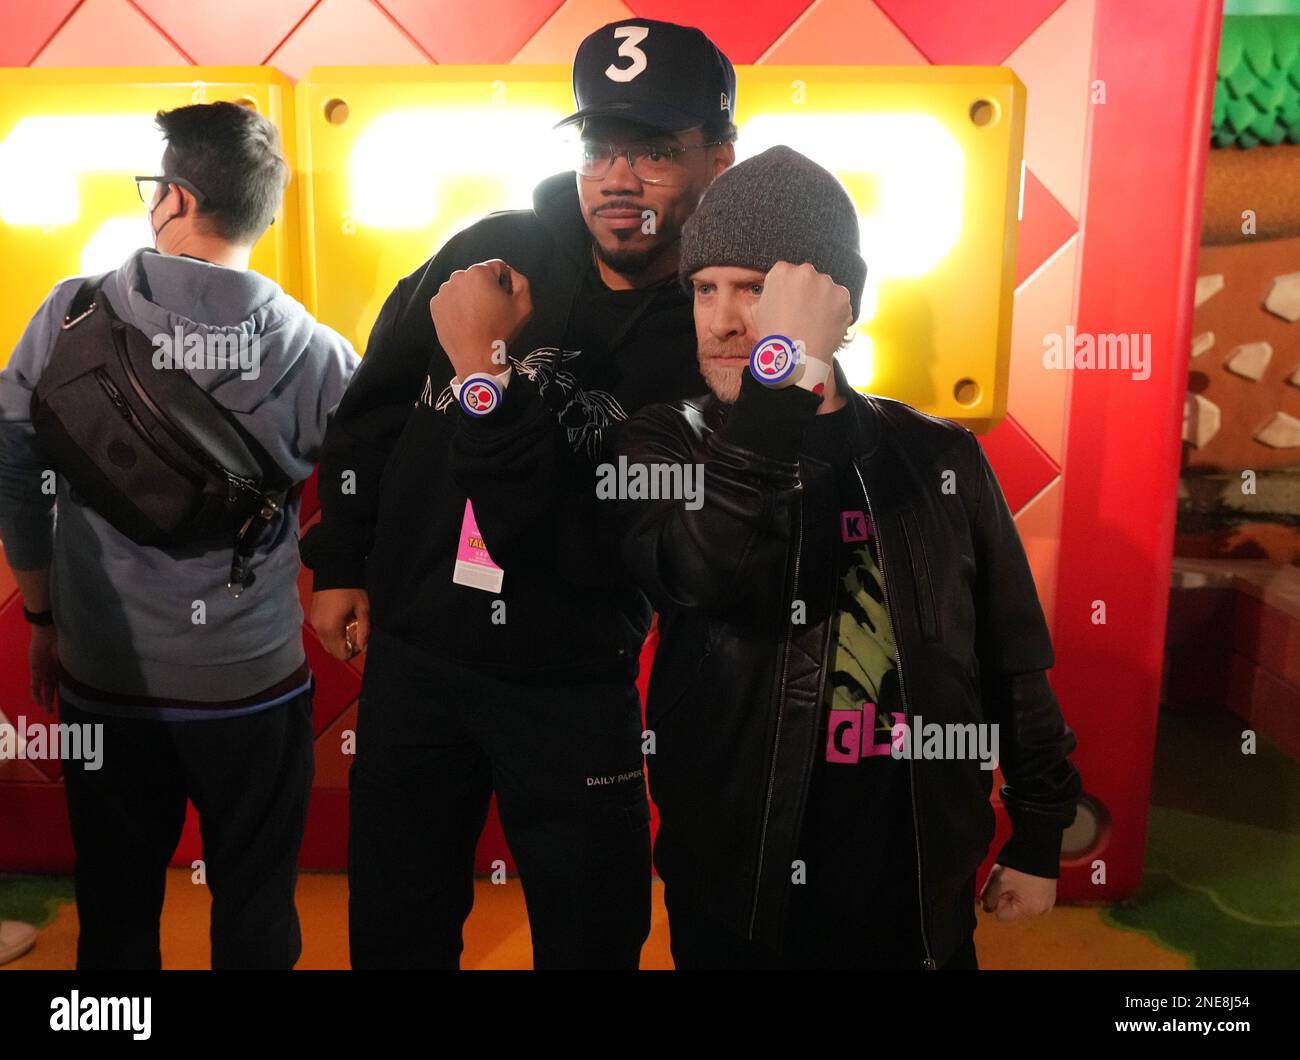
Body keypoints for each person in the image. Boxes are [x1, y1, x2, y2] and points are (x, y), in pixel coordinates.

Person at [300, 18, 737, 970]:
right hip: (417, 656)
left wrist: (486, 372)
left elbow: (593, 536)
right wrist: (339, 558)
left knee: (590, 939)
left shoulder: (716, 329)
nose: (619, 177)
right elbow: (372, 408)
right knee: (393, 927)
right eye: (599, 147)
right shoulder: (494, 246)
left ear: (718, 158)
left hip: (573, 675)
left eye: (654, 151)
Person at [607, 145, 1085, 970]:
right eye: (703, 289)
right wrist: (778, 390)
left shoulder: (939, 456)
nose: (722, 321)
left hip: (913, 873)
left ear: (836, 304)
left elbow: (1009, 657)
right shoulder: (661, 441)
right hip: (737, 876)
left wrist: (1039, 830)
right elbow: (700, 572)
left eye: (756, 289)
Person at [0, 101, 358, 969]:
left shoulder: (69, 316)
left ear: (175, 197)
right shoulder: (318, 356)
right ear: (261, 214)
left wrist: (44, 620)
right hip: (253, 686)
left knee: (115, 910)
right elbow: (363, 492)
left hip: (106, 676)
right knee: (256, 905)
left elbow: (15, 472)